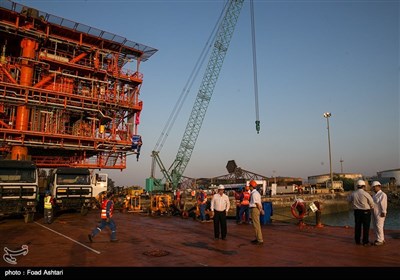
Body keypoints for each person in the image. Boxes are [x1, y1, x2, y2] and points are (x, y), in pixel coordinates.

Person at [348, 179, 374, 246]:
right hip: (365, 212)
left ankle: (357, 240)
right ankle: (365, 241)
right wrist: (371, 207)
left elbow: (348, 200)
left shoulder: (353, 193)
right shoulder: (366, 193)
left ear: (357, 186)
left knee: (357, 226)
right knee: (366, 227)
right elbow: (371, 202)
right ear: (363, 186)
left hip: (357, 212)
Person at [371, 181, 387, 246]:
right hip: (374, 212)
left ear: (379, 186)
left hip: (380, 213)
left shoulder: (382, 194)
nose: (374, 188)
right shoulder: (374, 195)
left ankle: (381, 240)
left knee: (379, 226)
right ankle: (379, 238)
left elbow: (384, 204)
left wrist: (383, 212)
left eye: (375, 187)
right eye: (373, 187)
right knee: (375, 226)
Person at [249, 180, 264, 245]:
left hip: (255, 209)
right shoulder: (256, 193)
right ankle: (258, 238)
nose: (249, 187)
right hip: (256, 209)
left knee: (256, 225)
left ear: (252, 186)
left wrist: (261, 210)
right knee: (256, 224)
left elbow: (257, 203)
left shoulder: (254, 194)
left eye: (250, 186)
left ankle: (260, 239)